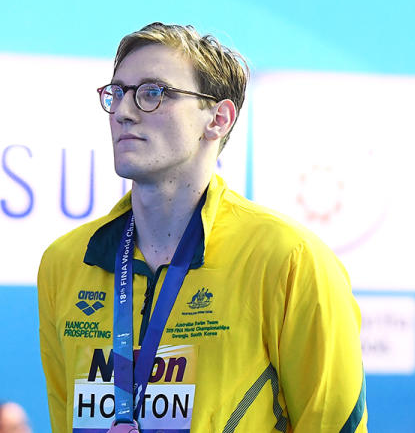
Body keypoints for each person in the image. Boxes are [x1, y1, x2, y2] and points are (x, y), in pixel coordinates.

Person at [37, 23, 367, 432]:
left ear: (218, 118)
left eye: (153, 93)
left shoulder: (287, 257)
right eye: (117, 93)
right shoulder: (65, 262)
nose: (123, 111)